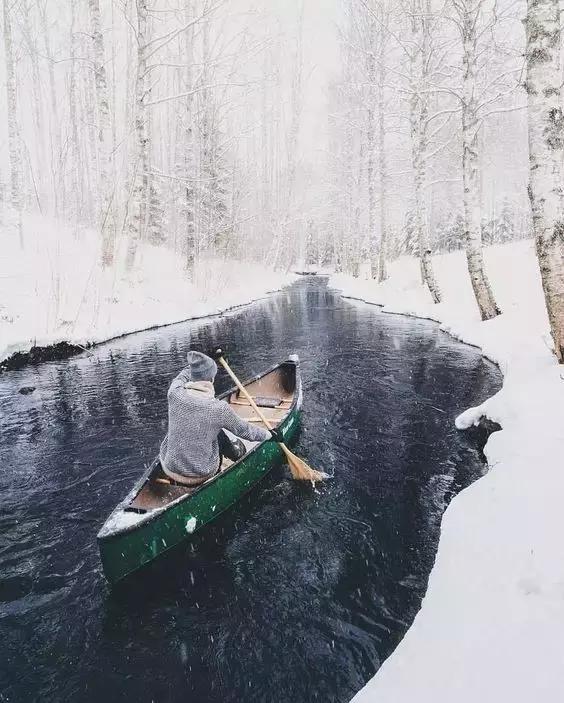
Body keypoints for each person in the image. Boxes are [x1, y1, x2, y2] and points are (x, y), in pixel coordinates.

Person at [160, 350, 277, 486]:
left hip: (170, 468)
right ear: (212, 379)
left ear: (192, 375)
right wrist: (270, 435)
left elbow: (182, 376)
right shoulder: (219, 409)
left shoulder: (174, 393)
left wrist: (201, 361)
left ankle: (177, 474)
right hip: (200, 474)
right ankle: (237, 453)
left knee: (195, 427)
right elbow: (245, 430)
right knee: (218, 434)